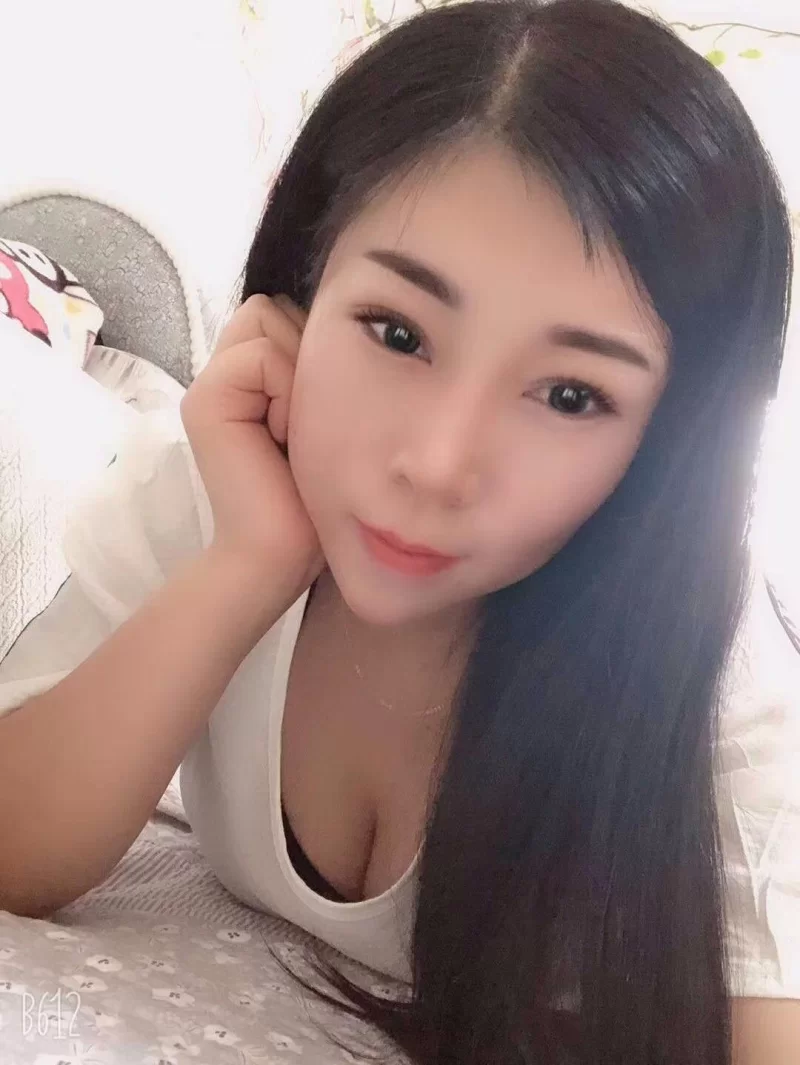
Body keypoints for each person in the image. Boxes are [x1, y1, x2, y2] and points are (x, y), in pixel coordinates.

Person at [0, 0, 798, 1061]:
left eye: (569, 395)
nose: (437, 462)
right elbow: (17, 849)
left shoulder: (715, 678)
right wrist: (250, 565)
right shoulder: (212, 492)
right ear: (299, 293)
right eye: (397, 332)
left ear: (666, 440)